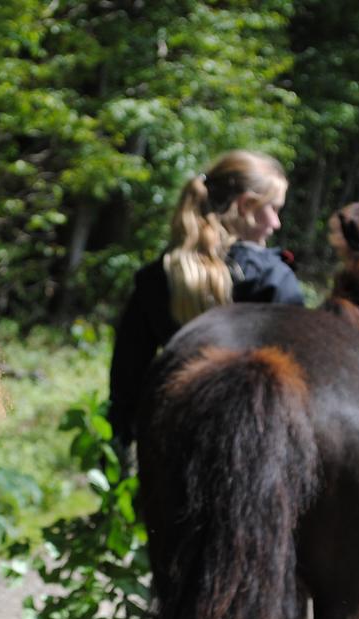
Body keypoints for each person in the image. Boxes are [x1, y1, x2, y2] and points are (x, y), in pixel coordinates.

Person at [108, 150, 302, 447]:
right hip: (257, 438)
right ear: (246, 205)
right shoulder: (272, 280)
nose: (276, 223)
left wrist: (119, 440)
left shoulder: (156, 278)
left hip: (173, 435)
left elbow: (127, 377)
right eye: (273, 209)